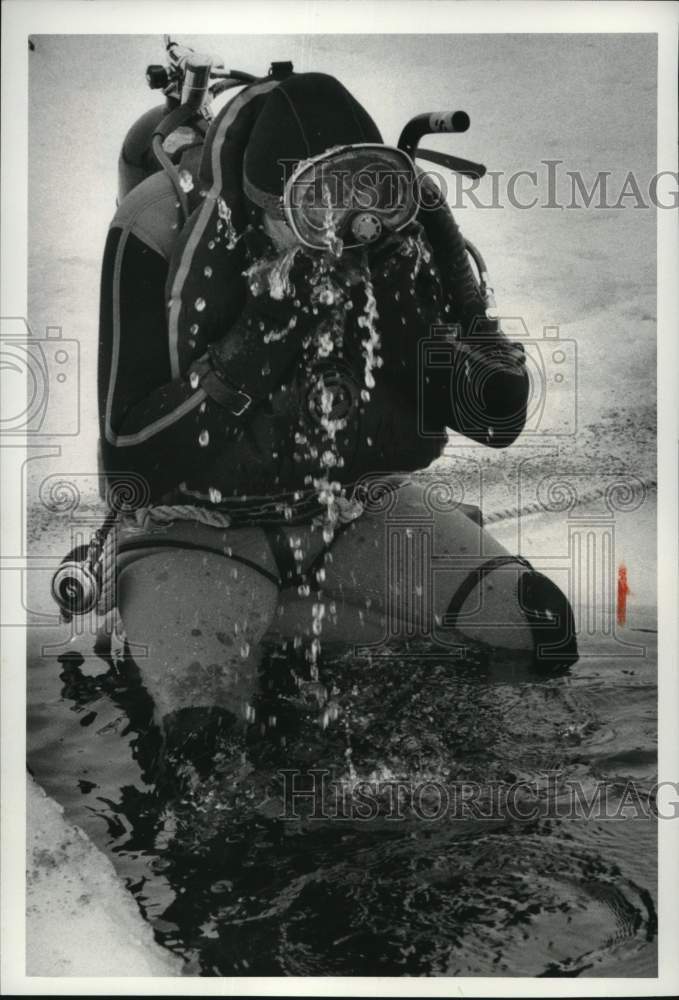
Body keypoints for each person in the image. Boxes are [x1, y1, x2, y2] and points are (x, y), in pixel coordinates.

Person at [97, 71, 532, 745]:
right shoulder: (153, 228)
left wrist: (478, 374)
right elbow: (131, 456)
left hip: (350, 507)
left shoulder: (387, 234)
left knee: (537, 627)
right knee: (202, 736)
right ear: (253, 204)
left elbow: (451, 403)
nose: (336, 234)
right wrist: (254, 344)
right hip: (196, 530)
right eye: (306, 213)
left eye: (357, 200)